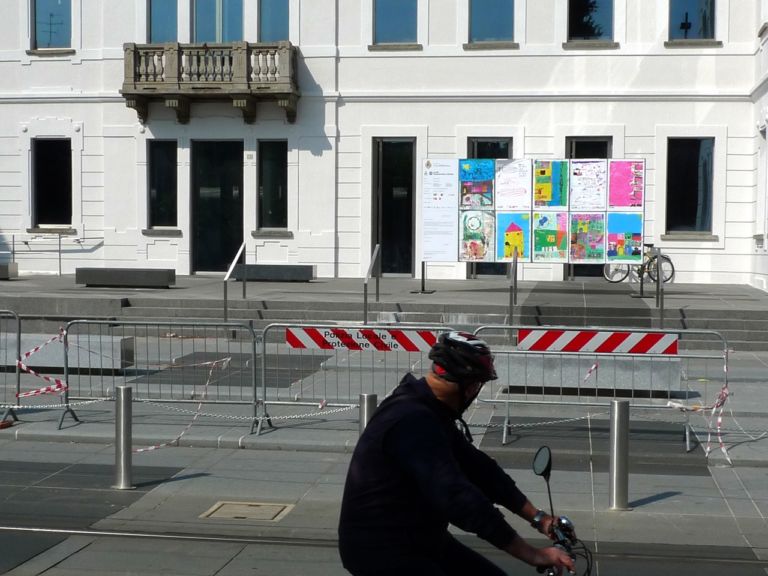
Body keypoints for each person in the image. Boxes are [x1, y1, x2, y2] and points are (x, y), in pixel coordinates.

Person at [338, 331, 575, 576]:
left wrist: (539, 518)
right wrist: (532, 554)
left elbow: (481, 469)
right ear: (470, 386)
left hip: (420, 537)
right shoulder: (411, 421)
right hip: (381, 548)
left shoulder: (429, 408)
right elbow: (459, 498)